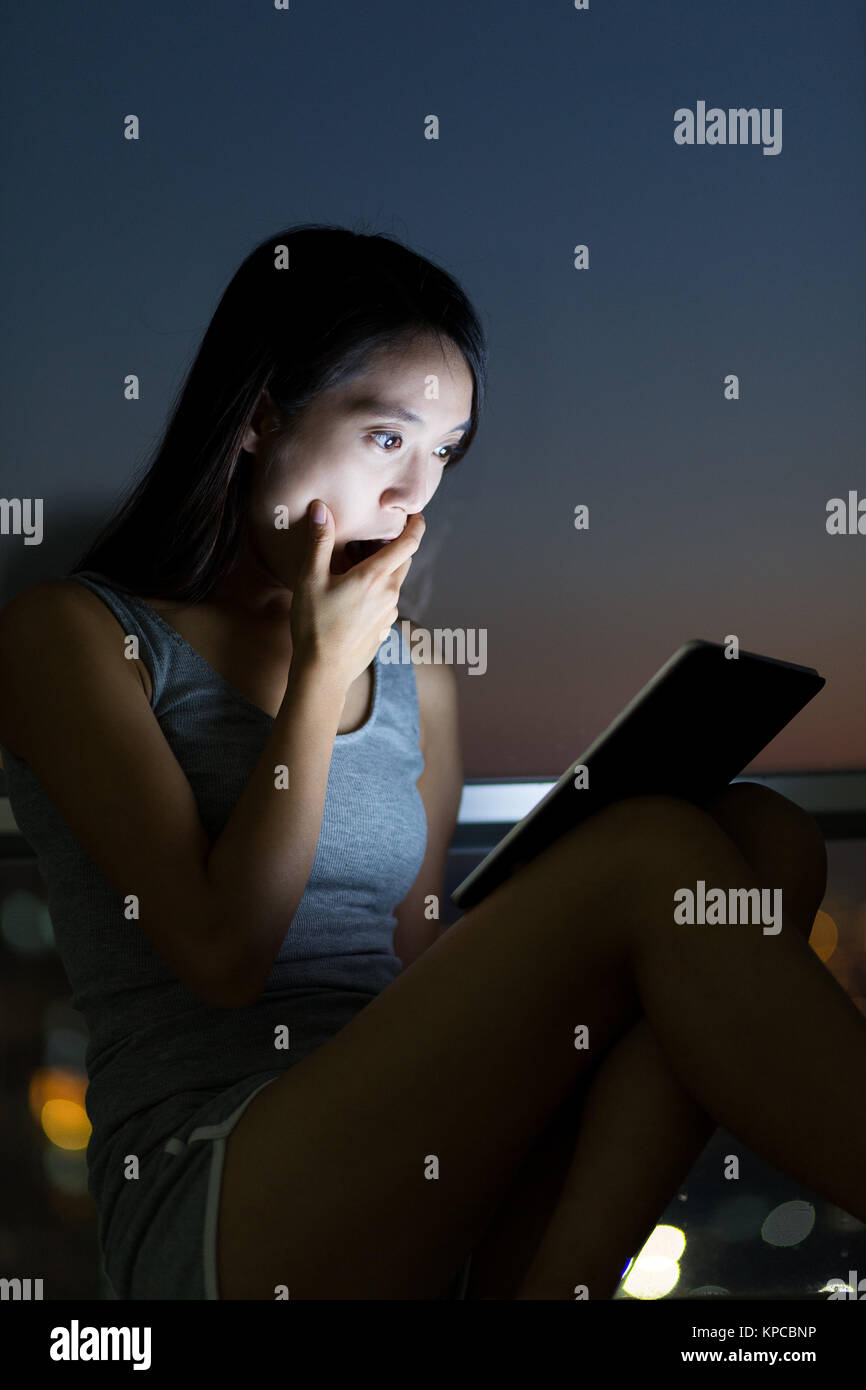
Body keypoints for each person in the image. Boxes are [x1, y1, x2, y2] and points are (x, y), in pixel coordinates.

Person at [0, 224, 863, 1302]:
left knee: (762, 837)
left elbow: (411, 960)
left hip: (416, 1165)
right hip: (223, 1190)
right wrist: (319, 674)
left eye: (443, 452)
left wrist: (540, 914)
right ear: (263, 415)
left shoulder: (415, 678)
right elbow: (222, 954)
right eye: (385, 438)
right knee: (651, 856)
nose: (415, 496)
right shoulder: (74, 637)